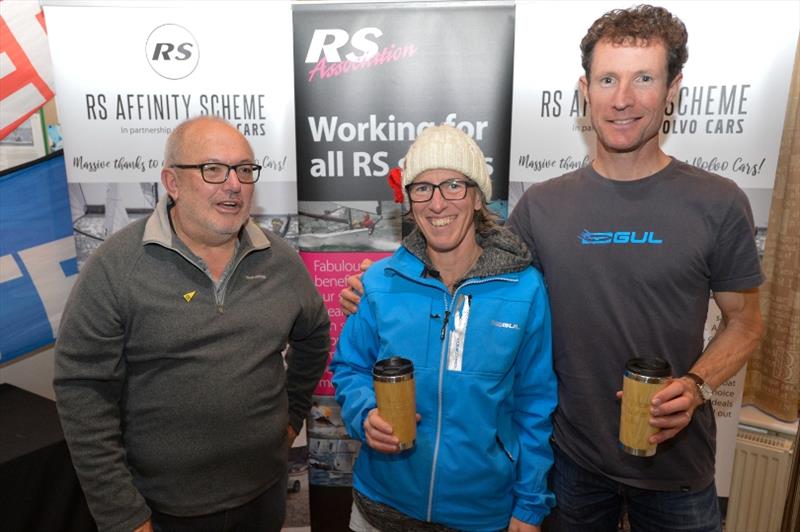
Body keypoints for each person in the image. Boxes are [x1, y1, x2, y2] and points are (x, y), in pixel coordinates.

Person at [341, 6, 764, 531]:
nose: (623, 98)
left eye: (644, 79)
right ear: (585, 89)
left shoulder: (718, 203)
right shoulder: (541, 206)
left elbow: (746, 321)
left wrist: (698, 384)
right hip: (573, 467)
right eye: (608, 79)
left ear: (674, 88)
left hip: (675, 466)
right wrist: (378, 282)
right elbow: (467, 259)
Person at [54, 116, 330, 532]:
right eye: (213, 169)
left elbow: (314, 336)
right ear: (172, 182)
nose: (234, 184)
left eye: (244, 169)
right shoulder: (116, 267)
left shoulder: (280, 261)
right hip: (160, 511)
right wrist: (123, 516)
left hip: (264, 496)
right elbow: (83, 392)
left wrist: (291, 415)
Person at [330, 125, 557, 532]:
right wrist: (365, 415)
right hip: (380, 509)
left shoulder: (524, 289)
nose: (437, 204)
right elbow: (350, 370)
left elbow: (534, 402)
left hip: (480, 515)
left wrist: (530, 503)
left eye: (453, 185)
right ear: (409, 199)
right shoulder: (379, 283)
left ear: (475, 197)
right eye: (422, 188)